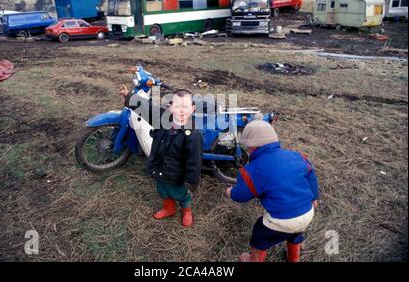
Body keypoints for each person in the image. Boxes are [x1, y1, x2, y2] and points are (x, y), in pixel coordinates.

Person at [226, 120, 319, 262]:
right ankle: (294, 258)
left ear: (251, 148)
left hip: (282, 220)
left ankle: (253, 259)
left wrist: (231, 192)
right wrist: (314, 197)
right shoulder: (297, 156)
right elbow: (311, 175)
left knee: (260, 235)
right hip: (307, 212)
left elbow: (242, 195)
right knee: (294, 232)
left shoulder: (253, 170)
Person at [119, 84, 203, 227]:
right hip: (159, 167)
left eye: (186, 107)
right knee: (163, 190)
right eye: (177, 106)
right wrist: (129, 96)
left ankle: (186, 210)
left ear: (193, 109)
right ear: (170, 107)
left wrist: (190, 182)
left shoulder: (193, 135)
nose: (181, 111)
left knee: (181, 194)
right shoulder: (163, 118)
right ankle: (169, 208)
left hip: (178, 175)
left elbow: (194, 163)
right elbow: (147, 108)